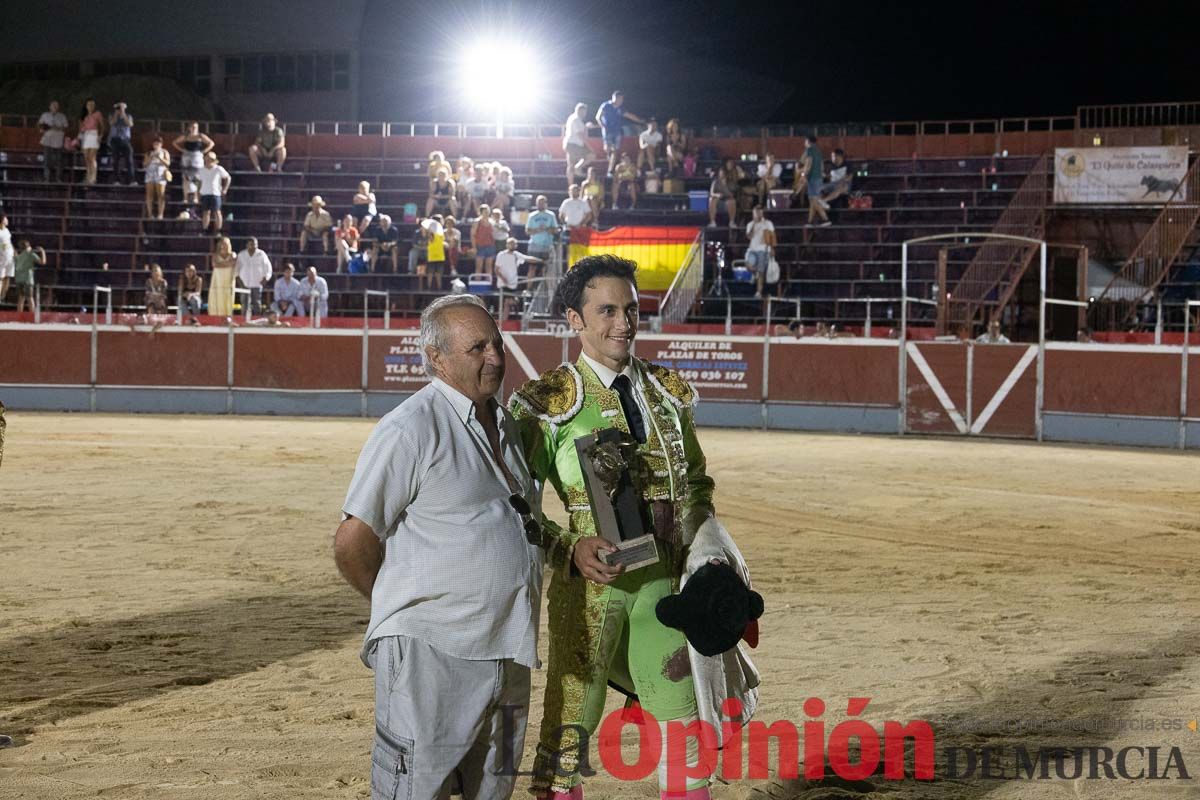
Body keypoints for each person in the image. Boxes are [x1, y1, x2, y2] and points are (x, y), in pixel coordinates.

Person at [509, 255, 757, 800]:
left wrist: (707, 557)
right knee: (573, 720)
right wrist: (569, 547)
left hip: (666, 589)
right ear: (574, 319)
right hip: (592, 589)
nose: (623, 323)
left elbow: (694, 483)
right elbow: (513, 505)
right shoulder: (545, 402)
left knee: (683, 718)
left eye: (631, 309)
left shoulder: (667, 391)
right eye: (606, 311)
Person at [335, 293, 540, 800]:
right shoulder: (411, 428)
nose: (494, 357)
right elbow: (352, 541)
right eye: (477, 348)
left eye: (497, 344)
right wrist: (405, 606)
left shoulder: (508, 424)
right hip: (432, 656)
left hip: (510, 648)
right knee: (417, 791)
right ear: (436, 358)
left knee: (492, 792)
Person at [595, 90, 644, 177]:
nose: (621, 101)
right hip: (607, 131)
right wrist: (602, 125)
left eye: (622, 99)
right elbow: (598, 116)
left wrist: (640, 121)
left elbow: (630, 115)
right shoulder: (606, 105)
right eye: (620, 99)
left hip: (617, 132)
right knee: (608, 149)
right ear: (615, 98)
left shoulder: (620, 109)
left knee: (615, 151)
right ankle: (609, 157)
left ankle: (610, 170)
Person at [172, 121, 215, 208]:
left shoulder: (200, 136)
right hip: (187, 156)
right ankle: (185, 197)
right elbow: (175, 142)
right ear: (189, 128)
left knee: (197, 178)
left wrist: (203, 151)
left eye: (195, 127)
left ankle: (196, 197)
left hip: (197, 156)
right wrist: (182, 150)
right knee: (185, 177)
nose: (194, 128)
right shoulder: (186, 136)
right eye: (192, 127)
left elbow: (211, 143)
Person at [745, 205, 776, 299]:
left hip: (763, 249)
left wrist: (772, 248)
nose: (758, 213)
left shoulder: (768, 223)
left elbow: (772, 237)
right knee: (748, 265)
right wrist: (754, 224)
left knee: (761, 271)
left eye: (759, 211)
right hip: (752, 249)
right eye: (756, 212)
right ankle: (755, 274)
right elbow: (749, 236)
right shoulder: (750, 224)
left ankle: (758, 292)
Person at [196, 151, 231, 234]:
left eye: (211, 159)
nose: (209, 160)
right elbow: (198, 182)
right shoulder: (201, 170)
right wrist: (197, 192)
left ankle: (219, 230)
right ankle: (205, 229)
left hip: (215, 193)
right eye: (207, 158)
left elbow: (228, 178)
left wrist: (225, 189)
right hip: (204, 193)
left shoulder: (218, 169)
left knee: (217, 212)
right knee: (205, 212)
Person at [799, 135, 830, 227]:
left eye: (805, 141)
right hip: (818, 177)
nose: (804, 143)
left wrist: (804, 174)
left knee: (814, 200)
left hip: (812, 177)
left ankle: (826, 219)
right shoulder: (818, 151)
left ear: (808, 141)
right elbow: (821, 165)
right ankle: (810, 221)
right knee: (812, 201)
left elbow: (808, 163)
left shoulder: (809, 150)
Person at [236, 237, 272, 314]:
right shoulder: (241, 255)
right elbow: (236, 269)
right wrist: (239, 281)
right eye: (251, 244)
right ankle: (244, 322)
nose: (254, 246)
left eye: (255, 244)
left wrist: (266, 278)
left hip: (257, 283)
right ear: (247, 245)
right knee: (245, 304)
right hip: (244, 284)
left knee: (257, 303)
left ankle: (257, 321)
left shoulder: (261, 254)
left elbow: (268, 268)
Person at [525, 195, 559, 277]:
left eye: (542, 203)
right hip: (534, 246)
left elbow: (555, 230)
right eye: (539, 203)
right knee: (532, 268)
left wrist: (546, 229)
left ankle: (548, 289)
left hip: (547, 245)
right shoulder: (532, 216)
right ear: (536, 204)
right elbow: (527, 231)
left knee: (547, 268)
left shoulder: (551, 215)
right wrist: (538, 230)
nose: (541, 204)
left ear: (546, 204)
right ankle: (529, 289)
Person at [562, 102, 594, 187]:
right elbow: (581, 135)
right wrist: (589, 147)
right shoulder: (576, 120)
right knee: (591, 155)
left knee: (571, 165)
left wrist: (586, 127)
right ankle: (576, 173)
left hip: (573, 144)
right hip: (573, 144)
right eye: (584, 112)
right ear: (579, 111)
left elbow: (583, 133)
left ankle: (572, 183)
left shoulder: (575, 119)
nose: (585, 114)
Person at [38, 100, 68, 182]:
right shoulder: (45, 115)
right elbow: (40, 125)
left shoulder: (62, 116)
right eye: (53, 105)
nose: (54, 107)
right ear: (49, 107)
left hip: (58, 140)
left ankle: (58, 178)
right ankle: (46, 178)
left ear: (58, 107)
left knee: (58, 160)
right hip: (47, 139)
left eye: (56, 106)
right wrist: (42, 129)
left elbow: (65, 127)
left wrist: (56, 127)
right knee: (47, 159)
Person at [142, 137, 171, 220]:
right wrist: (151, 158)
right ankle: (150, 214)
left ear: (161, 144)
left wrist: (160, 158)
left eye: (158, 143)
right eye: (155, 143)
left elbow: (168, 164)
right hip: (150, 174)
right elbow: (144, 164)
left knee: (161, 195)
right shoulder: (148, 153)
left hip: (160, 174)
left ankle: (160, 214)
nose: (156, 145)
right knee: (149, 195)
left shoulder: (165, 152)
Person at [12, 241, 45, 315]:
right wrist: (42, 251)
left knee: (21, 299)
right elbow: (43, 262)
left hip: (19, 279)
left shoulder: (18, 256)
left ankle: (19, 316)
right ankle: (31, 316)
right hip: (28, 280)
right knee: (30, 298)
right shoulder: (31, 254)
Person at [78, 98, 105, 186]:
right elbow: (81, 129)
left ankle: (93, 178)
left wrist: (101, 136)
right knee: (86, 158)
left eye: (93, 104)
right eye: (89, 104)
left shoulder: (97, 114)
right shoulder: (84, 116)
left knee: (92, 157)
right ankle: (88, 176)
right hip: (86, 136)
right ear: (86, 106)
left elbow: (102, 126)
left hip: (94, 135)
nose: (91, 106)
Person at [108, 102, 136, 186]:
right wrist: (116, 115)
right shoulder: (111, 115)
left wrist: (123, 114)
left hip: (125, 140)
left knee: (129, 160)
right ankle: (116, 180)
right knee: (115, 160)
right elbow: (111, 123)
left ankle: (131, 180)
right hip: (115, 140)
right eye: (118, 108)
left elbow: (130, 124)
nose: (119, 110)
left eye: (121, 108)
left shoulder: (128, 116)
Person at [208, 237, 236, 318]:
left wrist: (221, 265)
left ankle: (228, 318)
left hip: (228, 279)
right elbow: (215, 265)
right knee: (217, 297)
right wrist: (227, 264)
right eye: (222, 244)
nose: (224, 246)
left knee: (228, 298)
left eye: (226, 244)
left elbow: (233, 263)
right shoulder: (215, 255)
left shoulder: (232, 254)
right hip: (217, 279)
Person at [708, 159, 739, 228]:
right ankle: (712, 222)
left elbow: (732, 194)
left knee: (732, 201)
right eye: (720, 173)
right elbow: (711, 193)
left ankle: (732, 222)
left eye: (723, 173)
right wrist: (717, 195)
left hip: (727, 199)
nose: (722, 174)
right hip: (718, 200)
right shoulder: (715, 182)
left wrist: (725, 186)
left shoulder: (730, 182)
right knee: (712, 200)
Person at [471, 203, 496, 280]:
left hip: (490, 246)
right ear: (481, 212)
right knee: (479, 267)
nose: (487, 213)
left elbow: (494, 234)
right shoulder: (477, 222)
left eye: (488, 211)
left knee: (489, 266)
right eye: (485, 211)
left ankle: (488, 284)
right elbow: (473, 235)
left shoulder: (492, 222)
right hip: (480, 246)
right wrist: (474, 247)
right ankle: (477, 284)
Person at [423, 215, 448, 291]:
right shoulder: (430, 232)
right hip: (432, 255)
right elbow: (429, 239)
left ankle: (439, 287)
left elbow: (442, 241)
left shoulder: (441, 232)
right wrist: (429, 232)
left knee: (438, 273)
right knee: (430, 273)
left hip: (440, 255)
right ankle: (429, 287)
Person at [0, 214, 12, 305]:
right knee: (1, 278)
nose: (7, 220)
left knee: (8, 277)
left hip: (10, 257)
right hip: (1, 258)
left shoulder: (7, 230)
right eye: (6, 218)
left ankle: (2, 297)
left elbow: (9, 243)